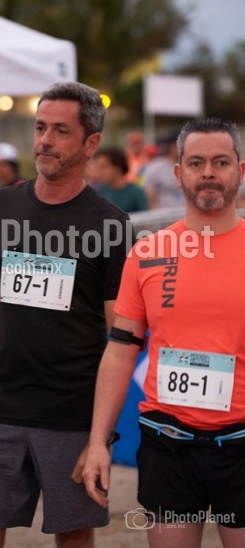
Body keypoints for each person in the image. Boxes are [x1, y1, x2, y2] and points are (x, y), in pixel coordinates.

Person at [0, 81, 132, 548]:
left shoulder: (110, 224)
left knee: (74, 536)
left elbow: (119, 337)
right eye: (40, 127)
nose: (45, 140)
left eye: (60, 131)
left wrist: (101, 433)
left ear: (91, 143)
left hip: (71, 414)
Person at [82, 118, 245, 548]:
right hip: (168, 443)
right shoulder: (148, 252)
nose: (208, 172)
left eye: (221, 162)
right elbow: (120, 350)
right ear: (178, 173)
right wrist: (98, 441)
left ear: (240, 171)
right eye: (196, 163)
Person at [93, 147, 149, 213]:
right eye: (98, 167)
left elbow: (145, 217)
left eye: (103, 166)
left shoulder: (136, 193)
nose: (99, 171)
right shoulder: (99, 193)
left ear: (117, 166)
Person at [143, 131, 185, 209]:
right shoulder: (155, 168)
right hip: (165, 215)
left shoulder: (192, 166)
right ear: (172, 146)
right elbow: (151, 200)